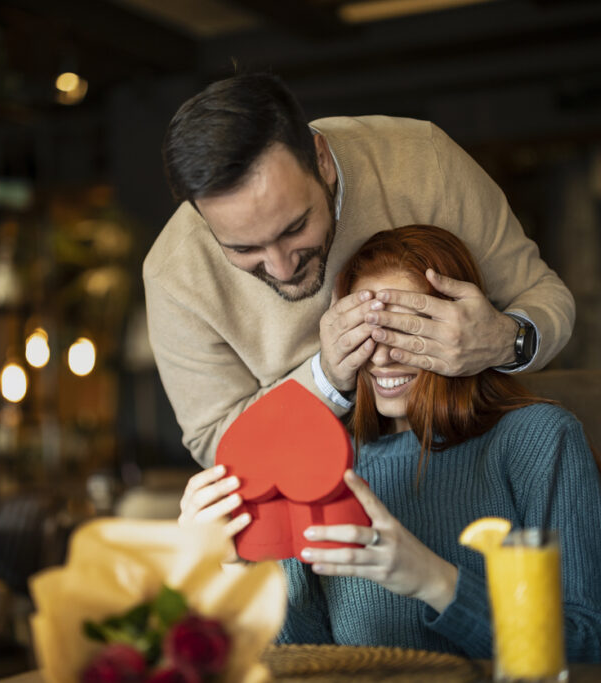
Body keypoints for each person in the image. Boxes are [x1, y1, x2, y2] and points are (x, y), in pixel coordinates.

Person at [179, 225, 601, 661]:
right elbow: (305, 656)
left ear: (460, 331)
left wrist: (433, 580)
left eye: (410, 330)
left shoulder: (540, 439)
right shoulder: (319, 457)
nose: (384, 355)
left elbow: (593, 653)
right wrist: (235, 567)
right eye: (368, 331)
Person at [145, 72, 574, 467]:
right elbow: (218, 445)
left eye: (295, 227)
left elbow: (542, 292)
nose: (281, 267)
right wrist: (325, 378)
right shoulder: (175, 277)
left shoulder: (423, 160)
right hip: (310, 496)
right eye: (243, 248)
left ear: (322, 160)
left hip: (471, 451)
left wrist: (502, 340)